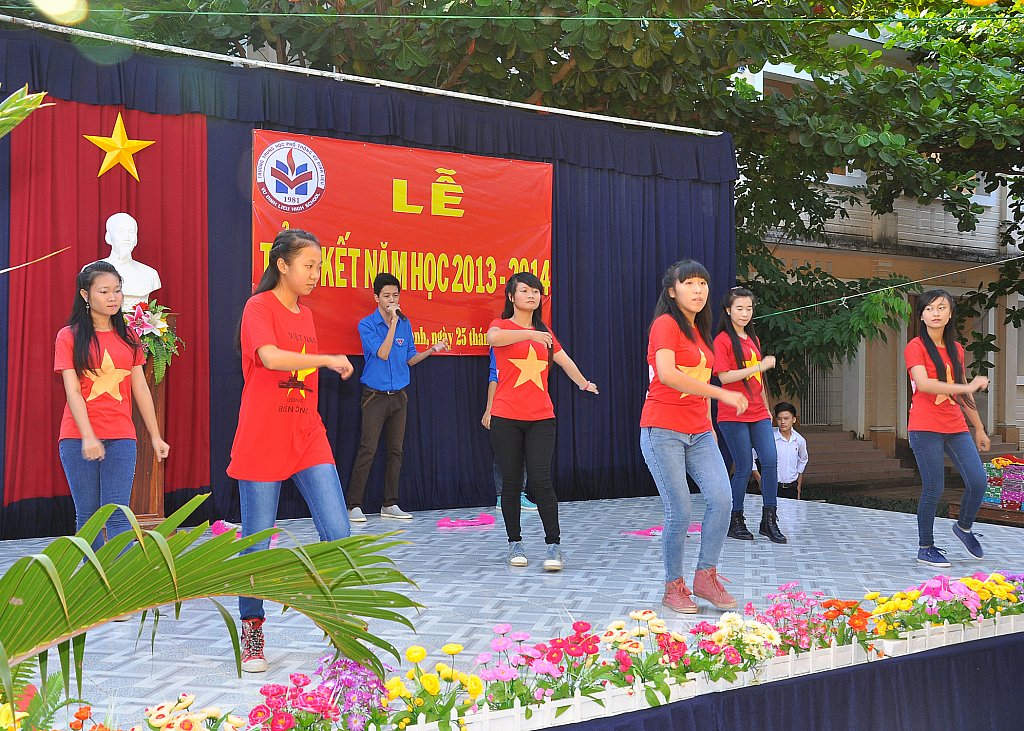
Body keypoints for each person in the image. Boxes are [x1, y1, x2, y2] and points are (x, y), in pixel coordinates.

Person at [228, 229, 356, 673]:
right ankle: (252, 628)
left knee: (338, 534)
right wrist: (326, 359)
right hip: (264, 435)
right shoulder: (258, 307)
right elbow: (270, 357)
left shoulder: (307, 314)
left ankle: (338, 623)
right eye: (309, 265)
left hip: (307, 433)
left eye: (320, 266)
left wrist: (323, 361)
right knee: (258, 542)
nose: (316, 274)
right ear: (282, 265)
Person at [639, 260, 748, 614]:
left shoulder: (700, 332)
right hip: (662, 429)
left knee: (722, 499)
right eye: (689, 283)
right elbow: (668, 375)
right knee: (680, 509)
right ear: (672, 291)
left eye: (703, 283)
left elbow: (698, 384)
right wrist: (722, 393)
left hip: (699, 431)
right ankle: (673, 586)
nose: (698, 290)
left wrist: (710, 425)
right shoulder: (665, 324)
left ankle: (705, 576)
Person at [55, 261, 170, 549]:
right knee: (88, 516)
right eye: (104, 291)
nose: (112, 298)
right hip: (77, 437)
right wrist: (88, 436)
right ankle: (94, 576)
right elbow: (73, 391)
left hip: (121, 437)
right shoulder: (68, 336)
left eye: (117, 290)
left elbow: (140, 388)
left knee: (119, 515)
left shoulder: (129, 336)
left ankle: (121, 577)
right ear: (85, 295)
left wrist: (155, 435)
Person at [487, 272, 597, 571]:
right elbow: (493, 339)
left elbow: (564, 360)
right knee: (511, 484)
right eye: (525, 291)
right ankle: (515, 544)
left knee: (541, 480)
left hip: (541, 418)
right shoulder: (502, 325)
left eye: (536, 291)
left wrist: (583, 383)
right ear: (511, 297)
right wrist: (530, 335)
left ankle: (554, 546)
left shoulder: (545, 332)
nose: (532, 296)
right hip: (506, 417)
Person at [346, 273, 449, 522]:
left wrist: (432, 349)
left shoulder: (405, 323)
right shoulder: (367, 325)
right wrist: (392, 323)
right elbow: (382, 353)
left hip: (399, 395)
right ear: (376, 298)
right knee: (368, 449)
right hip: (375, 396)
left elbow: (410, 358)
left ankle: (390, 503)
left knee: (396, 451)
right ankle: (353, 505)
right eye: (386, 296)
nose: (392, 300)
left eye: (395, 295)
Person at [905, 289, 990, 568]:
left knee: (978, 481)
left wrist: (979, 428)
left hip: (955, 425)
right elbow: (925, 384)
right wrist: (966, 386)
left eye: (941, 308)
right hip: (924, 426)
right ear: (921, 316)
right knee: (934, 487)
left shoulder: (956, 349)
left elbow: (963, 394)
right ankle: (925, 547)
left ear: (950, 313)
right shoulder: (915, 346)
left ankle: (963, 527)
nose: (935, 313)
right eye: (929, 308)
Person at [713, 287, 786, 543]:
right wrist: (760, 365)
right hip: (733, 412)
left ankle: (769, 520)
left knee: (770, 460)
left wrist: (766, 407)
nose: (745, 313)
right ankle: (735, 520)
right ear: (728, 310)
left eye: (749, 308)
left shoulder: (753, 338)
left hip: (758, 411)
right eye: (739, 308)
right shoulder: (722, 340)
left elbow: (758, 380)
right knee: (744, 466)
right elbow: (724, 377)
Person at [482, 347, 534, 511]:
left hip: (525, 404)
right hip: (504, 406)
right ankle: (501, 497)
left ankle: (520, 495)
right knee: (503, 452)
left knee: (523, 451)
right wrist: (489, 409)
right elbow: (493, 377)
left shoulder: (527, 342)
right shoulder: (498, 344)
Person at [99, 212, 162, 309]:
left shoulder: (150, 274)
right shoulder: (93, 271)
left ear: (136, 239)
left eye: (131, 232)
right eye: (120, 232)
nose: (126, 238)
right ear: (108, 237)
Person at [762, 402, 808, 500]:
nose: (782, 422)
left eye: (786, 418)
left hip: (792, 488)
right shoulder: (770, 438)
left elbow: (803, 460)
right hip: (773, 487)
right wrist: (759, 479)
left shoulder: (799, 440)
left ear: (793, 419)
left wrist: (798, 486)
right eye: (779, 419)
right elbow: (752, 456)